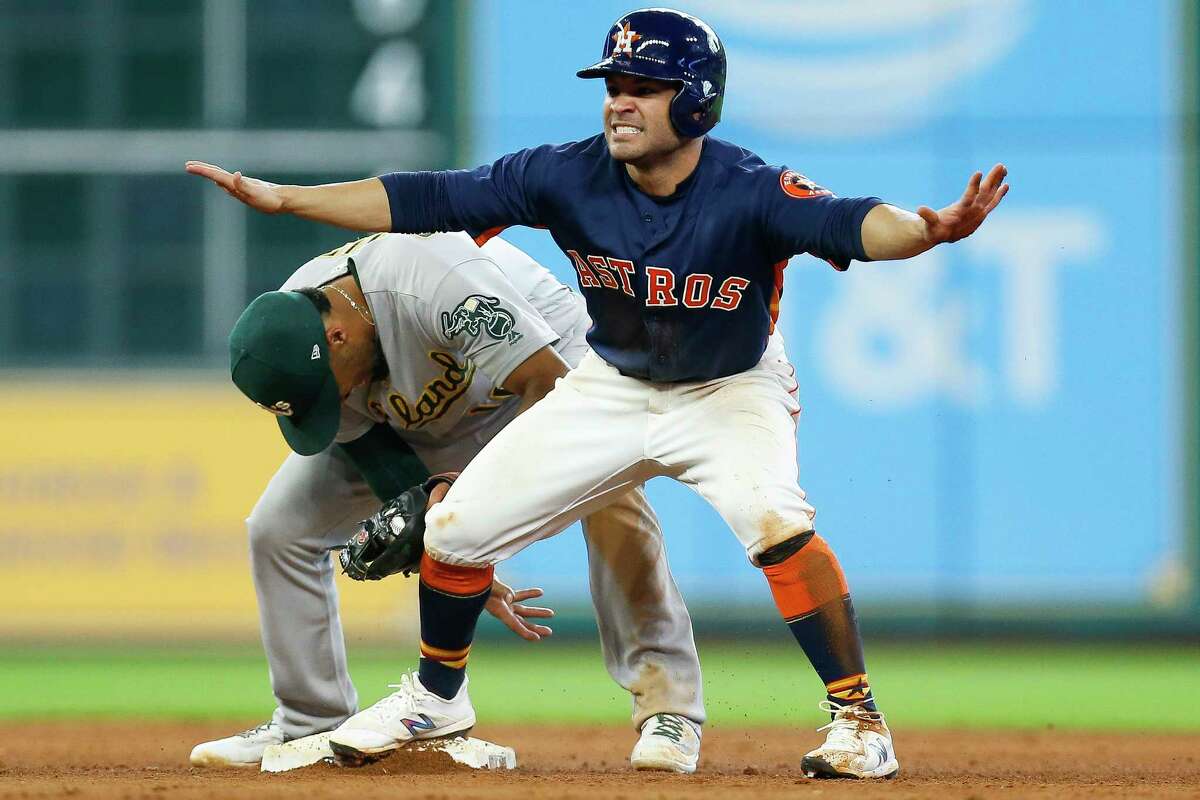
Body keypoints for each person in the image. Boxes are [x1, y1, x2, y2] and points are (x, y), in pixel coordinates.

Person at [186, 7, 1008, 779]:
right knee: (458, 526)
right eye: (614, 86)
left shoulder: (747, 188)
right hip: (613, 386)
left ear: (695, 102)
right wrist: (291, 199)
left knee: (772, 519)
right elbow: (429, 198)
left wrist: (926, 230)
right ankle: (435, 701)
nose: (619, 102)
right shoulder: (567, 176)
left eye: (642, 88)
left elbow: (849, 222)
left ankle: (859, 724)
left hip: (728, 388)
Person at [187, 231, 706, 773]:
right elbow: (382, 459)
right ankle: (309, 723)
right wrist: (444, 549)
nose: (333, 403)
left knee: (612, 499)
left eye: (326, 391)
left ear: (337, 336)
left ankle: (668, 712)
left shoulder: (429, 280)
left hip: (545, 374)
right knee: (277, 528)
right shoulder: (298, 337)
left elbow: (546, 384)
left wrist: (479, 520)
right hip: (421, 416)